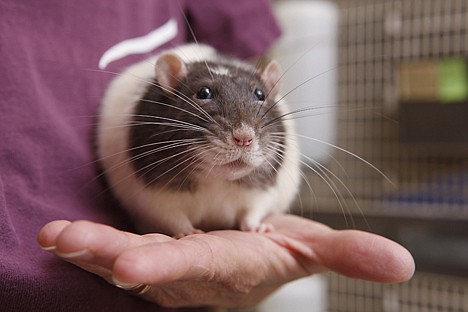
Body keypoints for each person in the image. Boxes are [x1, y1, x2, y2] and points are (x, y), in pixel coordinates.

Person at [0, 0, 415, 310]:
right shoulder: (146, 129)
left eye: (259, 98)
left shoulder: (266, 125)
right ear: (170, 87)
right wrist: (170, 222)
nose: (243, 135)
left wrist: (255, 215)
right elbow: (138, 178)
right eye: (201, 96)